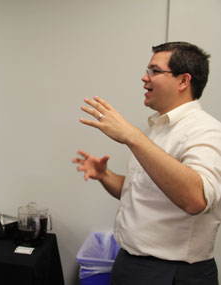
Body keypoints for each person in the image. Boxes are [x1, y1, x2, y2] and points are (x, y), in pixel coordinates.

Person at [72, 42, 221, 284]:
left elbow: (197, 199)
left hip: (172, 272)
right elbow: (140, 192)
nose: (144, 78)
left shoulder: (207, 131)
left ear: (183, 81)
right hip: (131, 263)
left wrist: (132, 137)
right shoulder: (157, 130)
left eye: (154, 71)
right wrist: (105, 175)